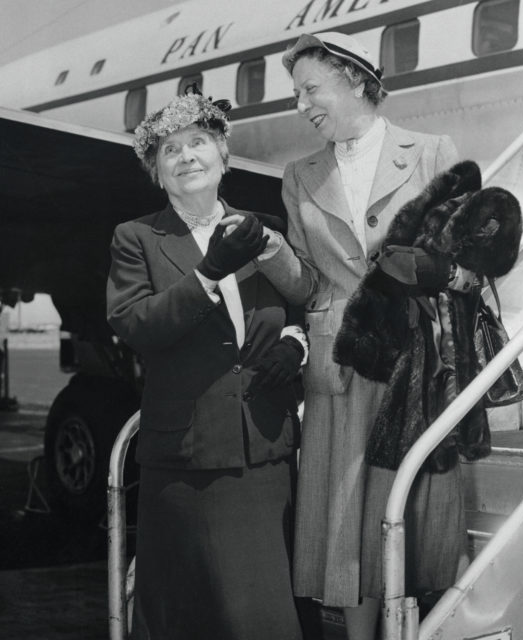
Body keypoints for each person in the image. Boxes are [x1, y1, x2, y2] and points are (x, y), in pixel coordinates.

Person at [235, 31, 469, 639]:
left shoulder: (431, 151)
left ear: (356, 81)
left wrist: (432, 271)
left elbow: (471, 261)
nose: (301, 104)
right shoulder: (299, 175)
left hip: (417, 360)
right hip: (341, 362)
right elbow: (307, 281)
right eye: (297, 93)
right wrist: (269, 250)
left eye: (311, 88)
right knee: (350, 531)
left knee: (422, 518)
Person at [106, 87, 309, 640]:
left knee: (263, 616)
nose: (186, 156)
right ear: (158, 173)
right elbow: (137, 326)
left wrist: (296, 345)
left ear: (223, 157)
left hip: (263, 453)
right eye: (170, 151)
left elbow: (296, 309)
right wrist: (207, 274)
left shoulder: (260, 231)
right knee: (187, 615)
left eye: (198, 143)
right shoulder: (139, 239)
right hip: (186, 461)